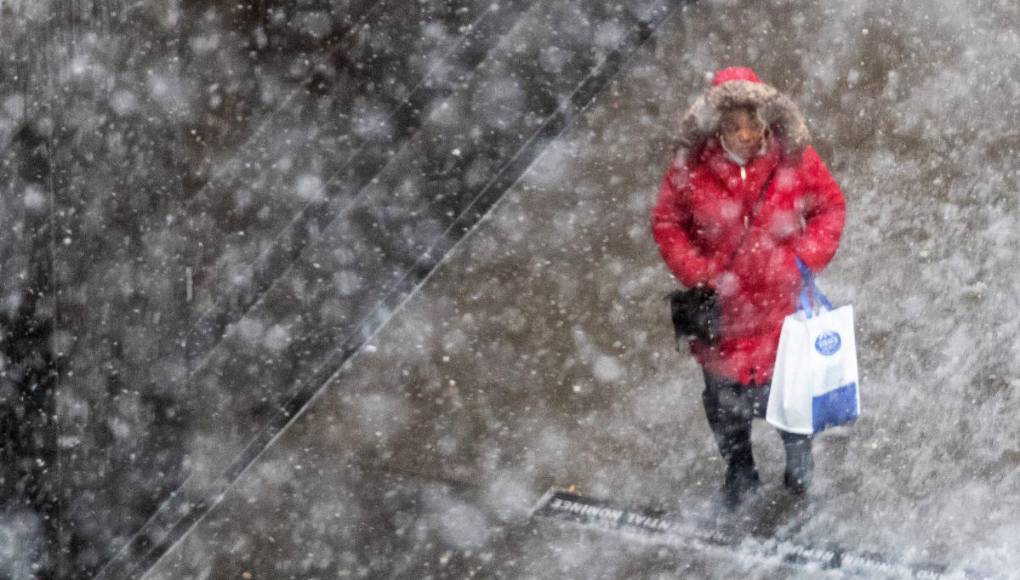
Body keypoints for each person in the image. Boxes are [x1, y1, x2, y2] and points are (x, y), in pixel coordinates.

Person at [651, 67, 846, 508]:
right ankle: (739, 469)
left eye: (753, 124)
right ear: (715, 127)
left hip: (782, 313)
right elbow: (667, 222)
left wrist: (801, 259)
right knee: (725, 405)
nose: (745, 135)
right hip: (723, 316)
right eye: (733, 126)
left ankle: (799, 470)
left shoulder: (794, 159)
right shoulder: (692, 169)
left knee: (792, 399)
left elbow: (830, 207)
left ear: (767, 121)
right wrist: (698, 271)